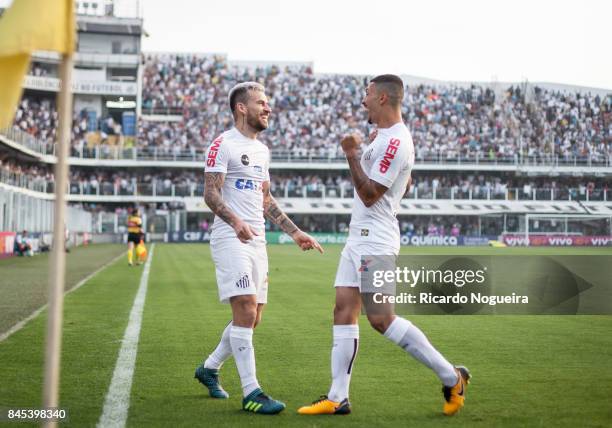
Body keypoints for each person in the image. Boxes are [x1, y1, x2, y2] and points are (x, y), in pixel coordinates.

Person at [298, 75, 470, 416]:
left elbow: (370, 194)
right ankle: (338, 397)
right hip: (358, 237)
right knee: (343, 311)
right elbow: (404, 186)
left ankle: (452, 376)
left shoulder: (395, 142)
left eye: (366, 94)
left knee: (381, 319)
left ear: (382, 98)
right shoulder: (386, 139)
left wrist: (351, 154)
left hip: (375, 240)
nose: (362, 100)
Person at [194, 81, 323, 415]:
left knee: (254, 318)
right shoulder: (223, 144)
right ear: (242, 108)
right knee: (246, 310)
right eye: (261, 103)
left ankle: (208, 368)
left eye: (267, 104)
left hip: (258, 242)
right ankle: (252, 392)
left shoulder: (262, 150)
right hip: (230, 238)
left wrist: (295, 233)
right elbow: (210, 193)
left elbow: (265, 199)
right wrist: (236, 222)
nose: (268, 108)